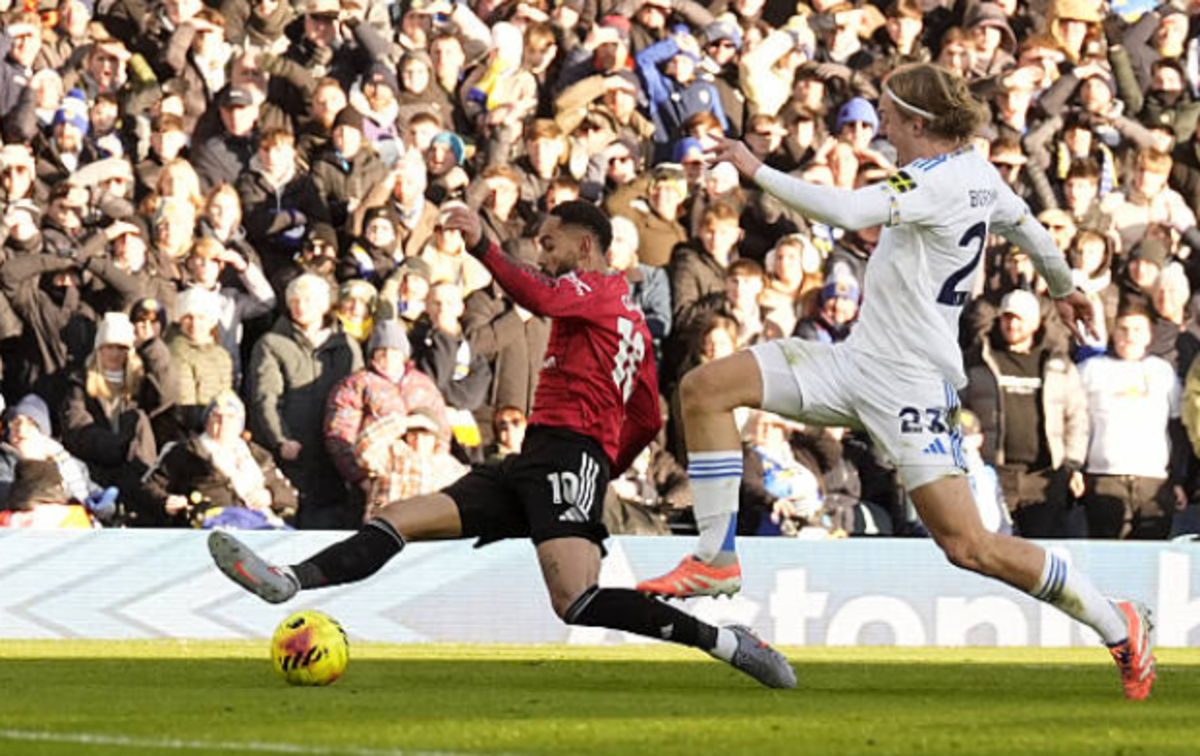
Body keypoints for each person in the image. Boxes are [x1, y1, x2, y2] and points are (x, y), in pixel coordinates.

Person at [636, 62, 1153, 700]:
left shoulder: (930, 180)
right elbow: (1027, 225)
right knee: (705, 389)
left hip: (910, 388)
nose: (881, 123)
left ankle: (1117, 622)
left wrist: (755, 168)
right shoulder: (980, 175)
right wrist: (1067, 287)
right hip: (856, 363)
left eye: (887, 112)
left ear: (916, 122)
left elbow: (848, 208)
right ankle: (715, 564)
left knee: (970, 545)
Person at [208, 200, 795, 689]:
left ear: (585, 248)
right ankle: (289, 580)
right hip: (537, 457)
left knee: (577, 600)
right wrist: (603, 467)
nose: (542, 255)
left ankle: (726, 642)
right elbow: (645, 417)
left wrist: (484, 245)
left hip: (568, 453)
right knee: (397, 518)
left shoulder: (597, 290)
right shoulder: (630, 325)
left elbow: (540, 298)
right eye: (536, 245)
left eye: (549, 243)